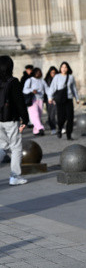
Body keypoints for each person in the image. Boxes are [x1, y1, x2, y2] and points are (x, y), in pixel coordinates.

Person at [0, 55, 29, 185]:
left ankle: (15, 176)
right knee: (16, 147)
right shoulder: (13, 82)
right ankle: (15, 176)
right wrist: (25, 119)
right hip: (10, 119)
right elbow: (20, 103)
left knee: (3, 146)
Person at [48, 62, 79, 140]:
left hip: (69, 99)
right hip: (60, 99)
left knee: (70, 117)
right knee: (61, 117)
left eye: (65, 67)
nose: (64, 69)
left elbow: (74, 89)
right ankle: (60, 128)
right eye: (62, 67)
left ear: (68, 68)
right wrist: (50, 97)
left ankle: (69, 134)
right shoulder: (57, 77)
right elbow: (52, 87)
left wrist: (77, 98)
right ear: (60, 68)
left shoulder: (71, 77)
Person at [23, 68, 49, 136]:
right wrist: (32, 90)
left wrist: (51, 97)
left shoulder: (42, 81)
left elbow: (47, 89)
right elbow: (25, 90)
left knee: (39, 116)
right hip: (32, 100)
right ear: (34, 73)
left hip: (40, 100)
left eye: (39, 72)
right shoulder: (30, 80)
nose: (38, 74)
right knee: (35, 115)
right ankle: (41, 128)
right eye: (37, 72)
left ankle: (36, 131)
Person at [44, 66, 58, 134]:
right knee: (51, 114)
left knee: (59, 113)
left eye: (54, 73)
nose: (53, 74)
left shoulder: (58, 79)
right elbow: (47, 91)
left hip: (57, 98)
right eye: (52, 73)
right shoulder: (47, 80)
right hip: (50, 99)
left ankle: (60, 127)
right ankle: (53, 128)